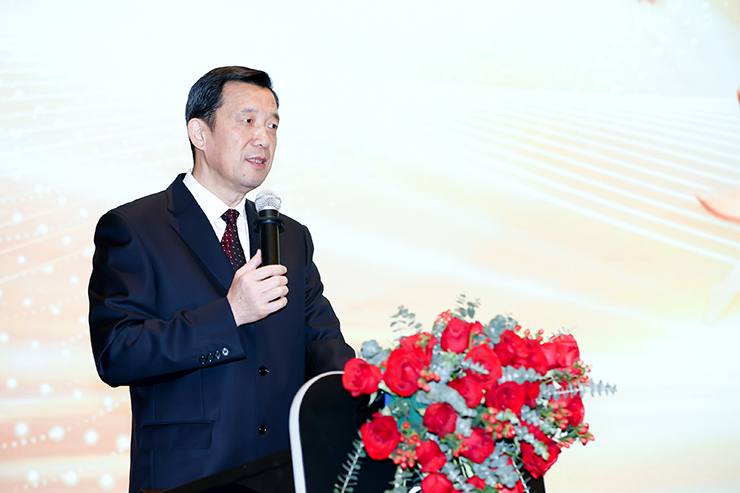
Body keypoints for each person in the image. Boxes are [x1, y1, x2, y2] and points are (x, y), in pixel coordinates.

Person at [88, 66, 355, 492]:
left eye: (272, 125)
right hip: (189, 478)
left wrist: (385, 393)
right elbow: (118, 353)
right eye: (247, 121)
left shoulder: (290, 237)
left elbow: (324, 347)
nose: (263, 138)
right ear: (199, 132)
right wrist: (230, 314)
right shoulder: (136, 228)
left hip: (284, 475)